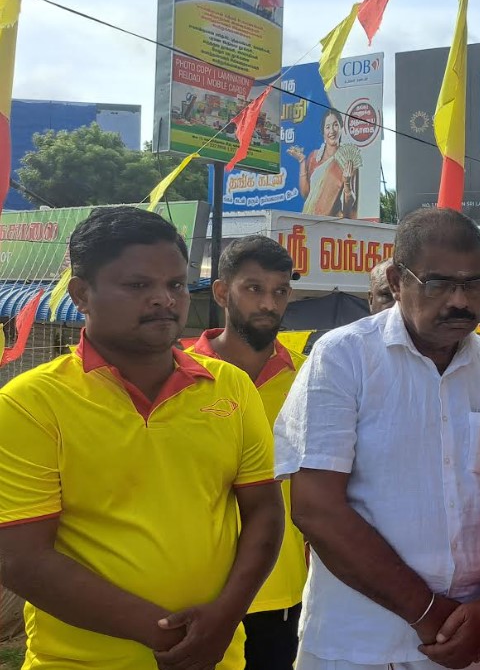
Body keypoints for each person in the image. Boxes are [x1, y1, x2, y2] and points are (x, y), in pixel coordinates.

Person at [0, 206, 283, 669]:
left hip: (218, 656)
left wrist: (224, 620)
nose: (163, 300)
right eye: (138, 286)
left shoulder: (230, 387)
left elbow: (265, 513)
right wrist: (176, 638)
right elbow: (22, 559)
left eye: (175, 285)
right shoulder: (31, 403)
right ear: (81, 294)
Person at [276, 208, 480, 670]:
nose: (460, 301)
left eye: (473, 284)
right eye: (439, 284)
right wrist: (427, 613)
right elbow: (316, 509)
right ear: (396, 280)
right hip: (361, 645)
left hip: (475, 639)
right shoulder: (343, 357)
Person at [187, 236, 306, 670]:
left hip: (282, 591)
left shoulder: (310, 377)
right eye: (254, 289)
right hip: (195, 590)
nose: (269, 304)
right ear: (222, 292)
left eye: (280, 291)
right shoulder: (179, 374)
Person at [287, 110, 357, 218]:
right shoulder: (314, 157)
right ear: (323, 133)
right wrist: (302, 161)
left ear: (341, 128)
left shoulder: (347, 161)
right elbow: (306, 194)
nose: (332, 131)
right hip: (309, 220)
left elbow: (349, 209)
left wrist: (347, 183)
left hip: (331, 223)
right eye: (328, 127)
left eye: (335, 125)